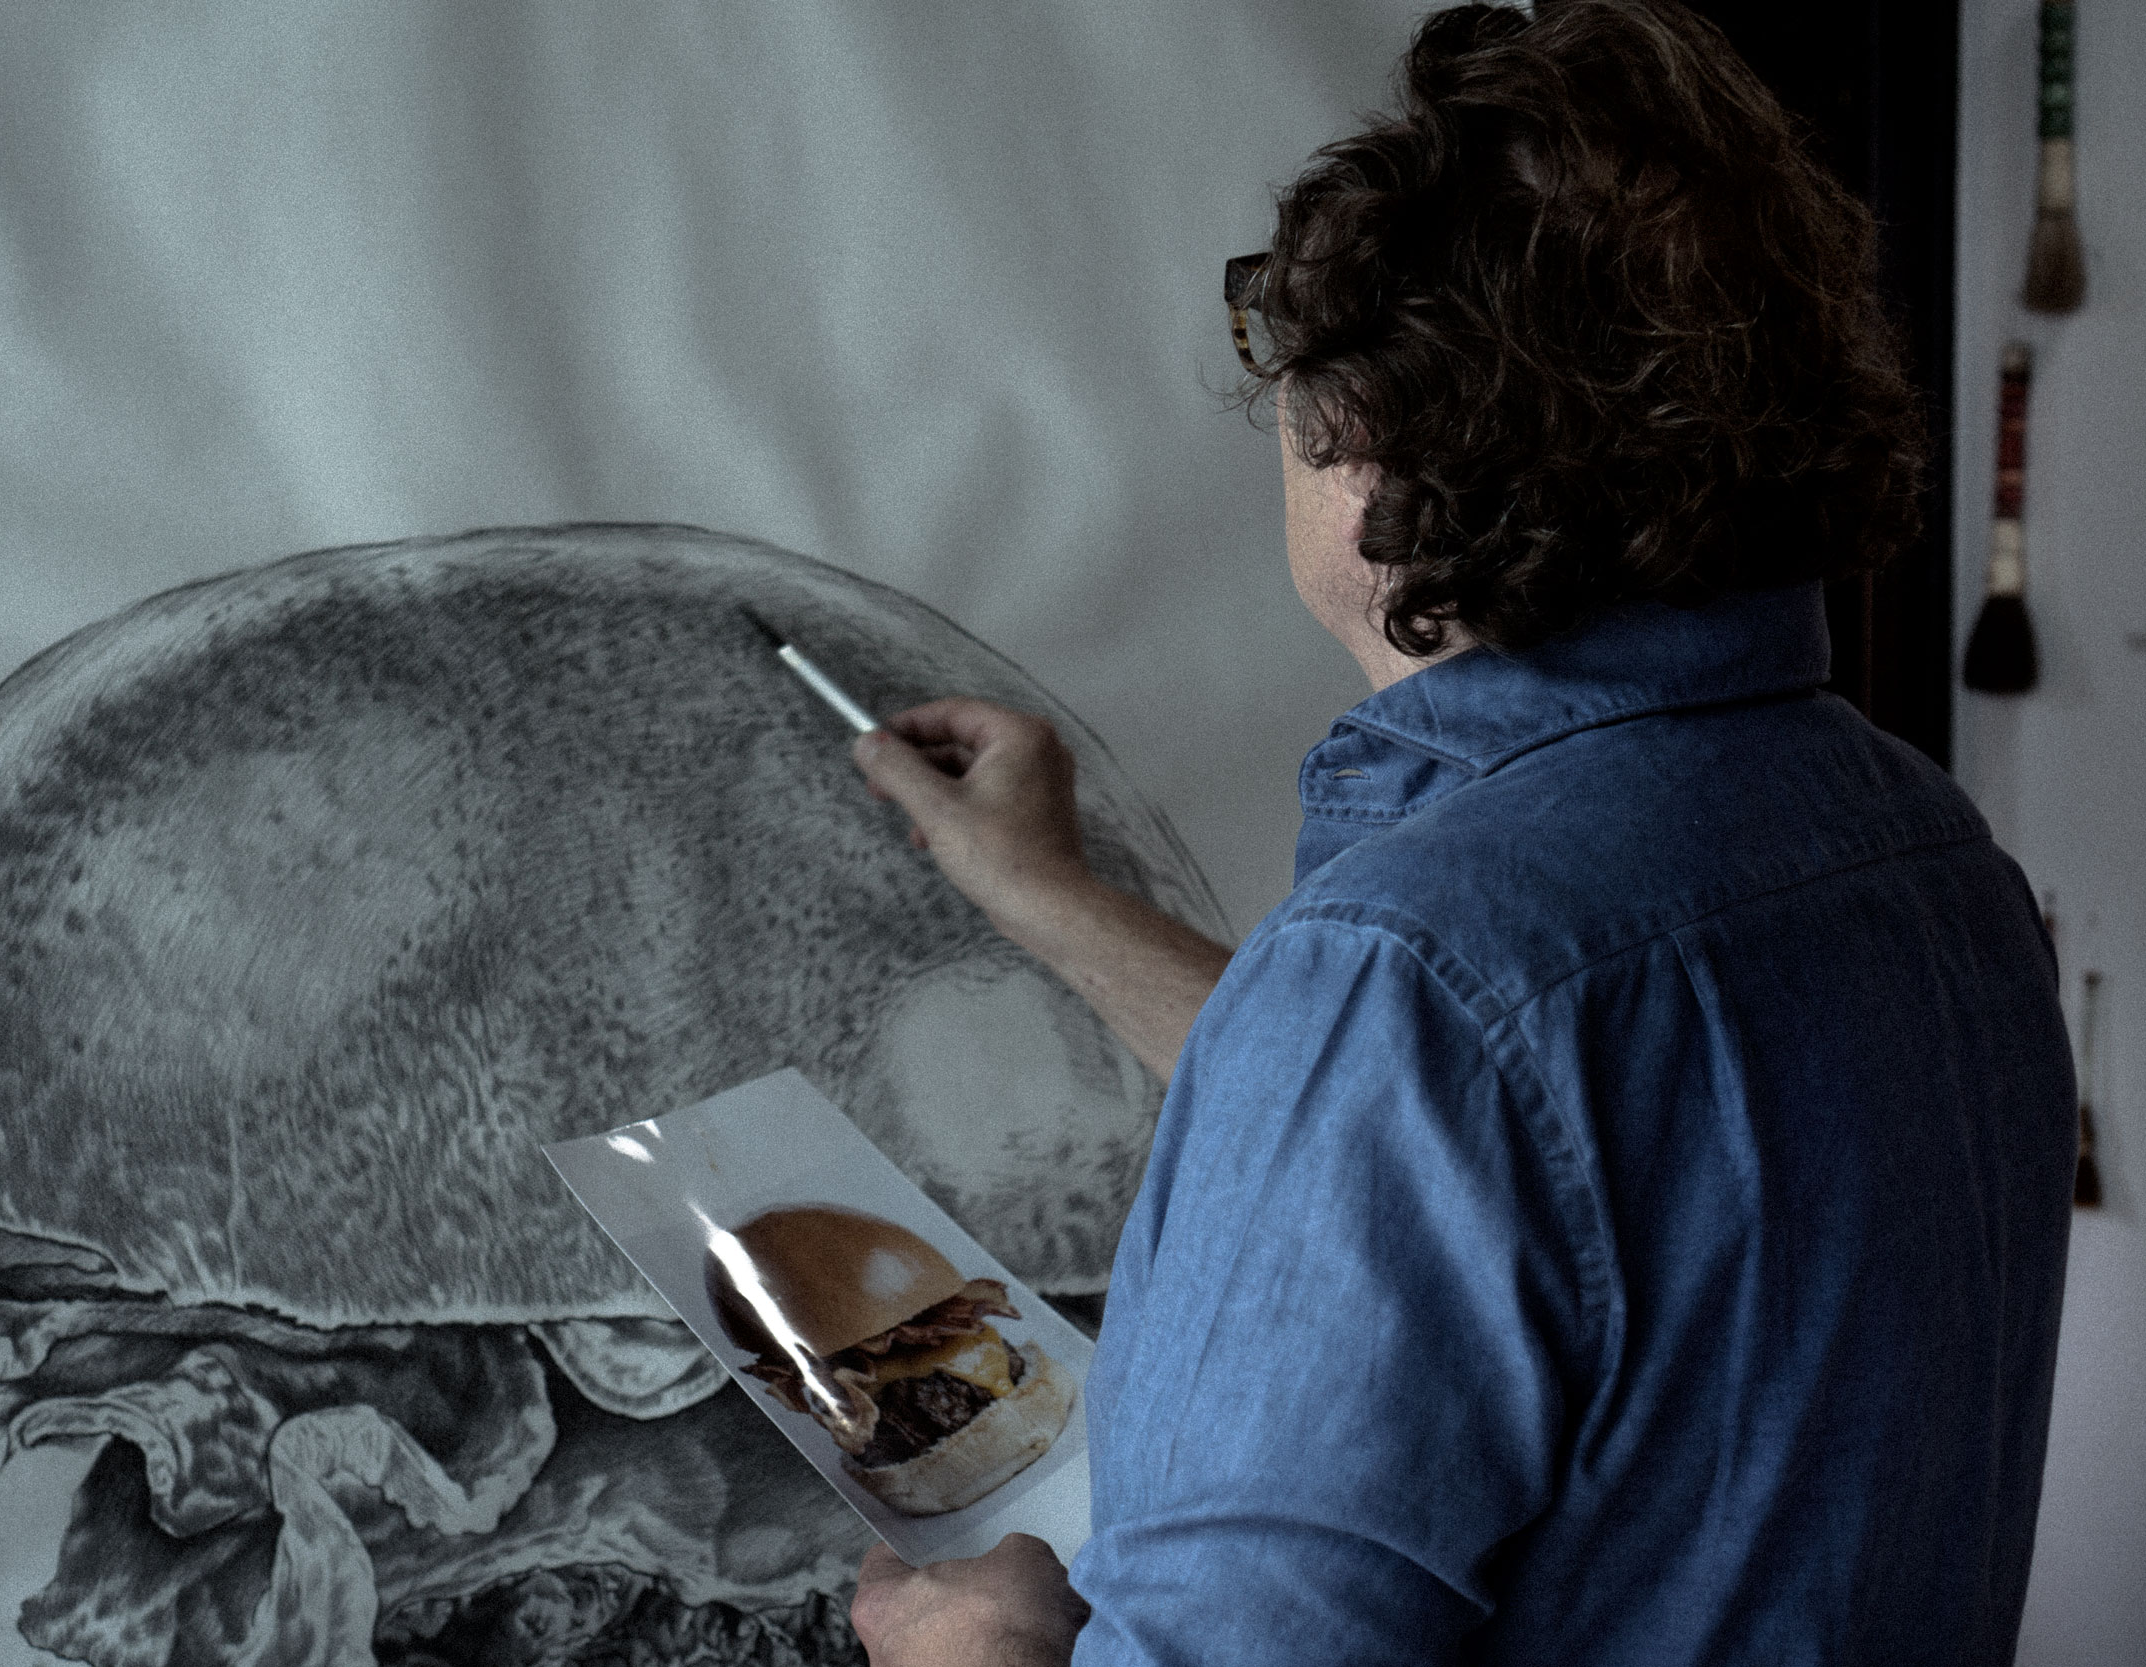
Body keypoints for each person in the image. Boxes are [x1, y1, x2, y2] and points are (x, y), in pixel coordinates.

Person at [844, 3, 2077, 1663]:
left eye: (1284, 338)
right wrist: (1046, 895)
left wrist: (978, 1652)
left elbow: (1445, 1100)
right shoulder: (1929, 855)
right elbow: (1513, 1190)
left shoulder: (1415, 987)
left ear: (1378, 444)